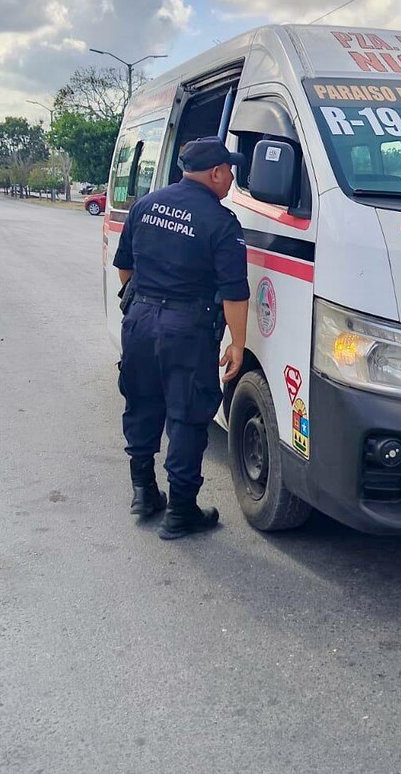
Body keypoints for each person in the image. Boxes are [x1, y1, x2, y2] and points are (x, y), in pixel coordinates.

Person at [112, 136, 250, 540]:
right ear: (216, 172)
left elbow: (124, 269)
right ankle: (181, 512)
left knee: (141, 403)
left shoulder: (145, 205)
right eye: (229, 170)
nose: (231, 178)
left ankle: (143, 492)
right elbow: (235, 293)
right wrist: (237, 343)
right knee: (187, 416)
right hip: (186, 329)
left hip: (139, 322)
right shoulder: (221, 221)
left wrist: (146, 302)